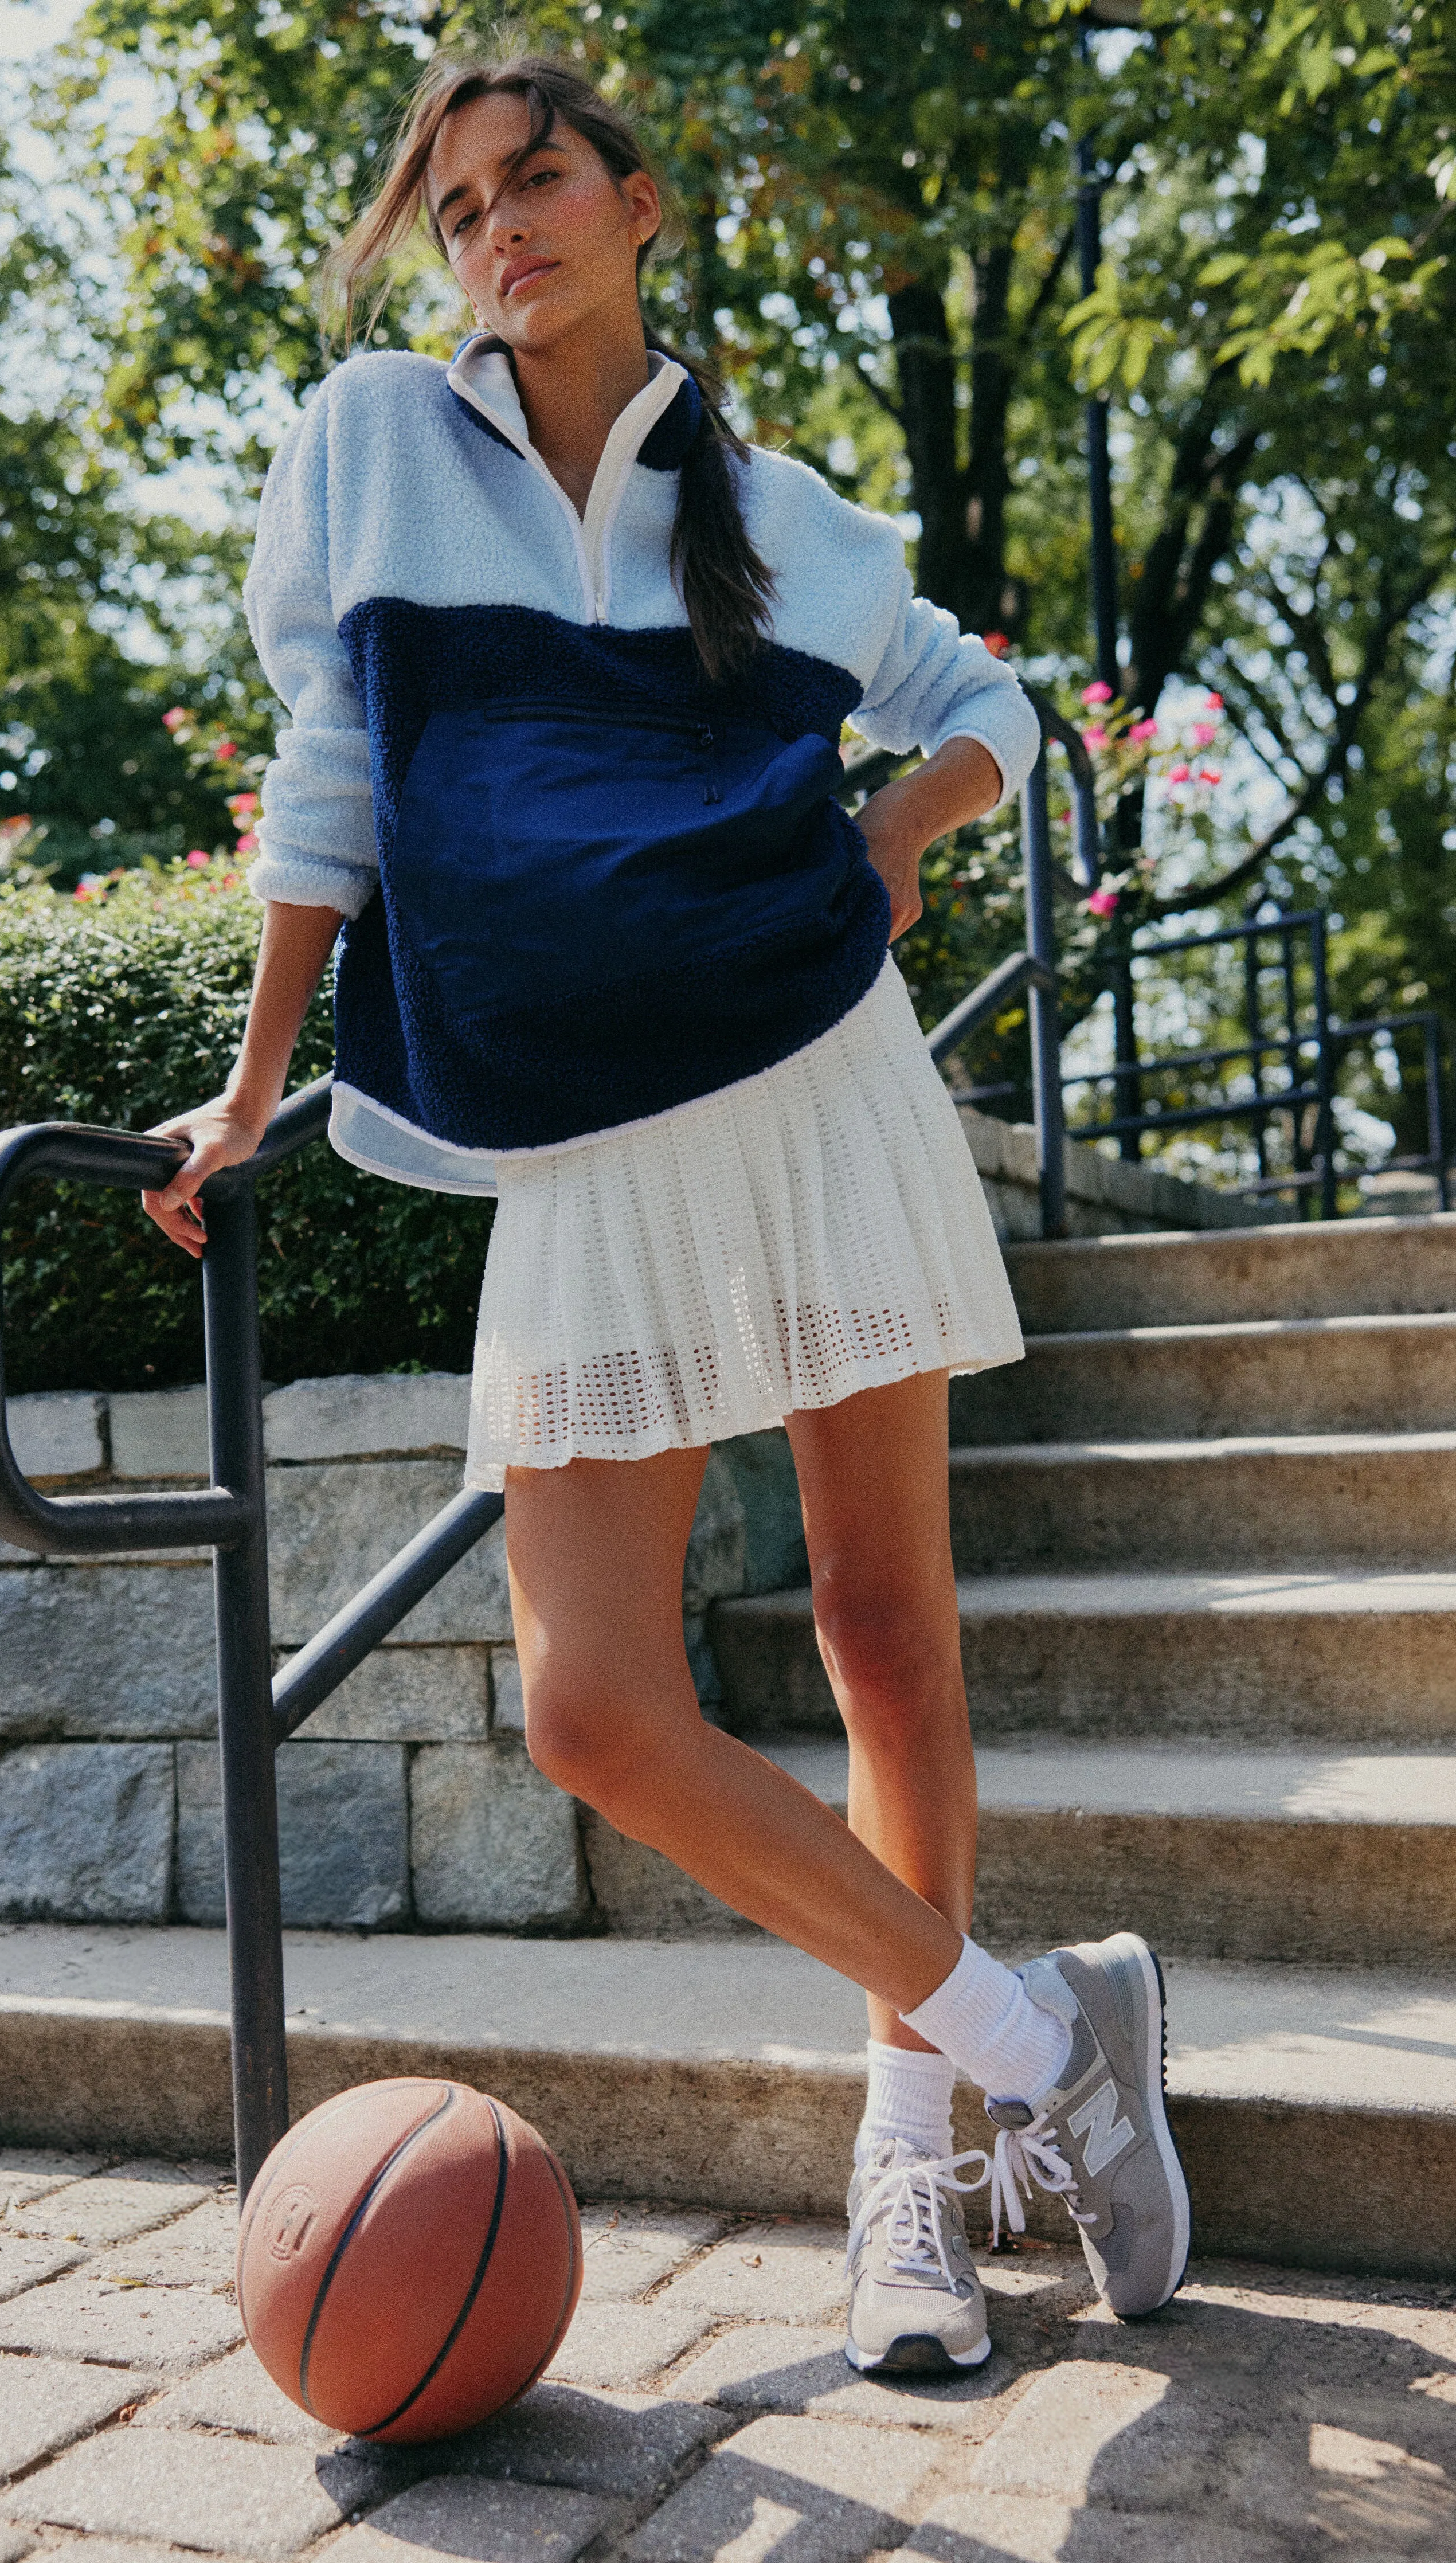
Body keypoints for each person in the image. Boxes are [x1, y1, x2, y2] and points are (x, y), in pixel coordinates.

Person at [142, 42, 1189, 2374]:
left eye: (536, 182)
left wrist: (899, 836)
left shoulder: (791, 513)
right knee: (597, 1702)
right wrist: (250, 1087)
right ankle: (1046, 2033)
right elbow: (330, 774)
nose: (496, 228)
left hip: (817, 1085)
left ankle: (915, 2156)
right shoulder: (375, 451)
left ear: (638, 207)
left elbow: (989, 703)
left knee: (885, 1629)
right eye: (457, 204)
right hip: (582, 1142)